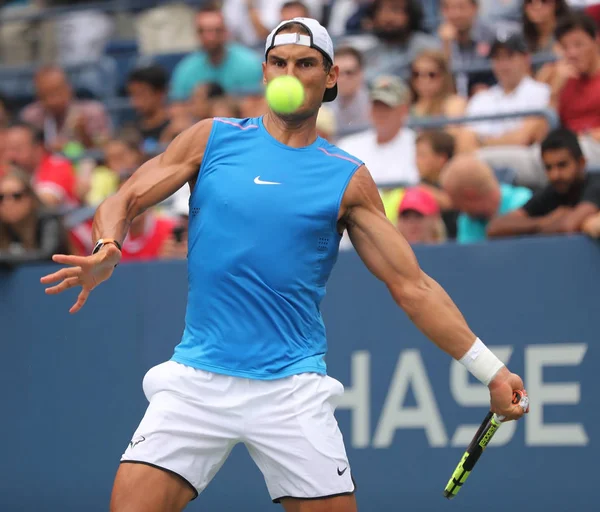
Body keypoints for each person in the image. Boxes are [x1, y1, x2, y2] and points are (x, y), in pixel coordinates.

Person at [40, 17, 528, 512]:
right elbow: (126, 197)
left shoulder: (346, 178)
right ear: (266, 73)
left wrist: (490, 370)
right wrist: (107, 247)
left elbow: (413, 286)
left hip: (290, 388)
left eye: (305, 63)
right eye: (279, 62)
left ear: (331, 76)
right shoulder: (211, 139)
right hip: (198, 379)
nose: (290, 73)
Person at [487, 128, 600, 238]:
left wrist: (529, 227)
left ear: (581, 163)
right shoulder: (552, 191)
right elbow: (495, 228)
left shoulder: (596, 184)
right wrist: (543, 222)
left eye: (562, 165)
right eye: (548, 167)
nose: (555, 175)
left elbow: (568, 226)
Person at [169, 4, 264, 102]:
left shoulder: (250, 65)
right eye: (203, 31)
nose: (210, 37)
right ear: (196, 34)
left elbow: (257, 107)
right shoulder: (185, 70)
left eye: (216, 30)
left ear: (226, 31)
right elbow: (178, 110)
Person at [441, 153, 533, 243]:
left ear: (470, 195)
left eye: (456, 202)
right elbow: (467, 256)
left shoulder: (526, 204)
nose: (457, 208)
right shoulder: (466, 220)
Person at [20, 66, 112, 151]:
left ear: (69, 88)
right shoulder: (30, 117)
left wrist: (84, 135)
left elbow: (103, 151)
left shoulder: (93, 113)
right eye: (45, 95)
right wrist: (48, 149)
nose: (52, 100)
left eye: (57, 91)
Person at [0, 168, 70, 265]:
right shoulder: (2, 226)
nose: (8, 203)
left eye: (16, 196)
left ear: (30, 198)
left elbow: (47, 255)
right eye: (1, 197)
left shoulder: (49, 220)